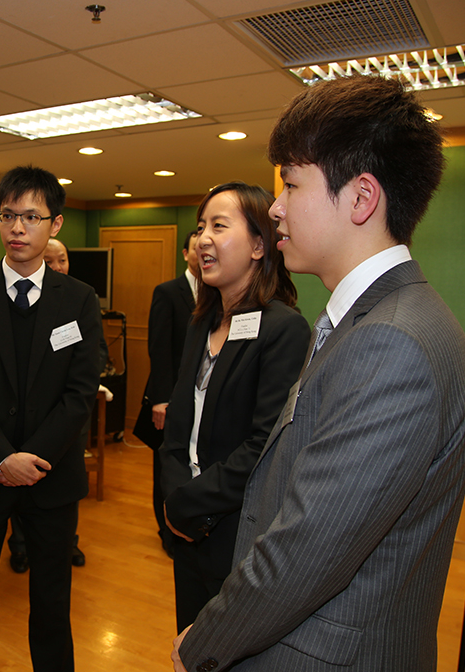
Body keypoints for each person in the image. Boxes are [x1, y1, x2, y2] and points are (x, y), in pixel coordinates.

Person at [172, 75, 465, 672]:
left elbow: (305, 550)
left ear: (361, 199)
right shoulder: (375, 320)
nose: (279, 207)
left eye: (290, 183)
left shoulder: (391, 344)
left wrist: (202, 644)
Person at [0, 165, 103, 672]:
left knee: (52, 607)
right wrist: (2, 458)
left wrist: (31, 459)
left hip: (51, 479)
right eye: (8, 215)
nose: (17, 227)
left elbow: (79, 395)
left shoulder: (78, 299)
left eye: (31, 216)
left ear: (55, 224)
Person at [159, 182, 309, 633]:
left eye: (218, 226)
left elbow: (265, 445)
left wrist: (187, 502)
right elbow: (177, 431)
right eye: (201, 226)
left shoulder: (284, 329)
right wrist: (174, 499)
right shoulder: (201, 322)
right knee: (188, 642)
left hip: (238, 532)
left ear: (260, 246)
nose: (203, 238)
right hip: (186, 529)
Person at [7, 237, 88, 573]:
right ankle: (20, 546)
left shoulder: (79, 299)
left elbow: (89, 364)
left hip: (61, 432)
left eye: (63, 260)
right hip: (14, 436)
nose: (57, 267)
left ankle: (68, 543)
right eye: (51, 260)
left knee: (57, 505)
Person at [136, 229, 200, 557]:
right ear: (186, 254)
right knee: (165, 467)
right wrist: (160, 399)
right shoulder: (168, 292)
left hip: (199, 399)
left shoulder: (217, 290)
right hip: (169, 397)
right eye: (196, 247)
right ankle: (165, 529)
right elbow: (158, 349)